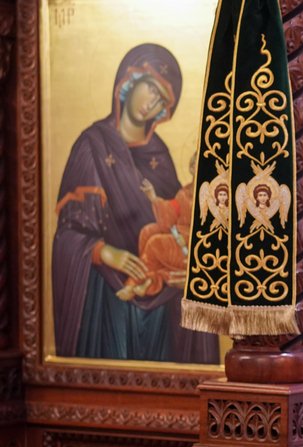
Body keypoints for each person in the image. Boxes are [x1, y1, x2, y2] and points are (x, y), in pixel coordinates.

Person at [51, 43, 218, 363]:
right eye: (151, 88)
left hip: (164, 308)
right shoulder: (92, 145)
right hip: (107, 299)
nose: (152, 102)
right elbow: (68, 234)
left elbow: (186, 225)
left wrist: (191, 272)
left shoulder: (159, 156)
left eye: (162, 99)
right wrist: (104, 252)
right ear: (129, 80)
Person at [116, 154, 196, 301]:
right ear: (191, 168)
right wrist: (153, 197)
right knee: (147, 231)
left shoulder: (212, 196)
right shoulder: (184, 192)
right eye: (196, 164)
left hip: (192, 248)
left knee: (155, 243)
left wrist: (188, 238)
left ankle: (132, 284)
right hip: (179, 235)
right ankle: (149, 280)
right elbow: (170, 215)